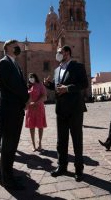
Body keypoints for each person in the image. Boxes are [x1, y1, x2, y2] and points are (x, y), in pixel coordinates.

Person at [43, 45, 88, 182]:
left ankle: (78, 169)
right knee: (61, 140)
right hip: (61, 109)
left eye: (60, 52)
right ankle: (61, 166)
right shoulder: (57, 70)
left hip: (75, 109)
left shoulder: (77, 66)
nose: (58, 54)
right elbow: (58, 88)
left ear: (67, 53)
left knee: (76, 139)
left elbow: (84, 84)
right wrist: (49, 85)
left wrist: (68, 89)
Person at [0, 39, 29, 190]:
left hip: (16, 109)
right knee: (8, 145)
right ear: (8, 48)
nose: (18, 48)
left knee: (12, 144)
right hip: (9, 109)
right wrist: (27, 98)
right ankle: (6, 178)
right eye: (15, 46)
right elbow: (13, 85)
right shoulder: (4, 62)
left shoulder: (15, 64)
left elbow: (21, 84)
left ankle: (6, 174)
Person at [25, 73, 47, 152]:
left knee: (40, 125)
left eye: (32, 77)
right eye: (30, 77)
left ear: (35, 77)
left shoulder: (40, 85)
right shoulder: (27, 86)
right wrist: (26, 105)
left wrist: (36, 102)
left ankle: (40, 143)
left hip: (39, 108)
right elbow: (25, 98)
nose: (31, 78)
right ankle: (33, 144)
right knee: (31, 126)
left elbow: (44, 96)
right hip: (30, 109)